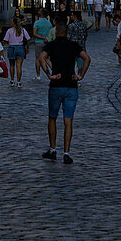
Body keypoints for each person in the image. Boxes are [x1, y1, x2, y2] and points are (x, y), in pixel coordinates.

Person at [38, 21, 91, 164]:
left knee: (52, 118)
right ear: (67, 33)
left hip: (56, 85)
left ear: (56, 32)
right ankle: (66, 153)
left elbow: (41, 57)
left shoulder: (51, 45)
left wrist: (48, 74)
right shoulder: (73, 45)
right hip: (71, 86)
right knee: (68, 120)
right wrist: (81, 76)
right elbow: (87, 59)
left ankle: (53, 150)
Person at [4, 14, 30, 87]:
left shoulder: (9, 30)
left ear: (13, 23)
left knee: (12, 65)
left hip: (11, 47)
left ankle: (12, 80)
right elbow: (28, 39)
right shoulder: (23, 30)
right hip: (20, 47)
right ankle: (19, 81)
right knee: (19, 66)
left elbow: (5, 40)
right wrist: (27, 48)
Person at [32, 9, 53, 79]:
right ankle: (53, 69)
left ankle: (38, 75)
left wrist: (42, 37)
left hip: (39, 42)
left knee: (38, 59)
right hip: (47, 43)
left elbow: (34, 33)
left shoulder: (37, 23)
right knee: (47, 58)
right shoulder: (49, 23)